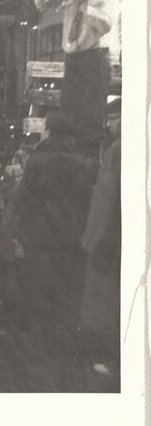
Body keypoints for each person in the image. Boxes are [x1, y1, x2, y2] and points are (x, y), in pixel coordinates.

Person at [13, 112, 95, 390]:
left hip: (39, 237)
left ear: (49, 131)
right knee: (64, 290)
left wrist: (20, 231)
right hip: (68, 237)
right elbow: (86, 201)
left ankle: (37, 348)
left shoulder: (38, 160)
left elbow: (24, 197)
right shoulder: (82, 164)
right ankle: (63, 347)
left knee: (37, 291)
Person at [33, 0, 120, 155]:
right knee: (68, 111)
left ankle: (88, 161)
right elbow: (45, 5)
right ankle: (67, 157)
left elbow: (105, 25)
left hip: (96, 59)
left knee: (92, 114)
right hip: (73, 60)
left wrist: (85, 5)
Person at [79, 134, 121, 386]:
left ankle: (117, 359)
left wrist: (100, 237)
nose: (110, 123)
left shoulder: (119, 149)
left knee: (114, 298)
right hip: (114, 234)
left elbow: (108, 200)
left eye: (116, 116)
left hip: (112, 236)